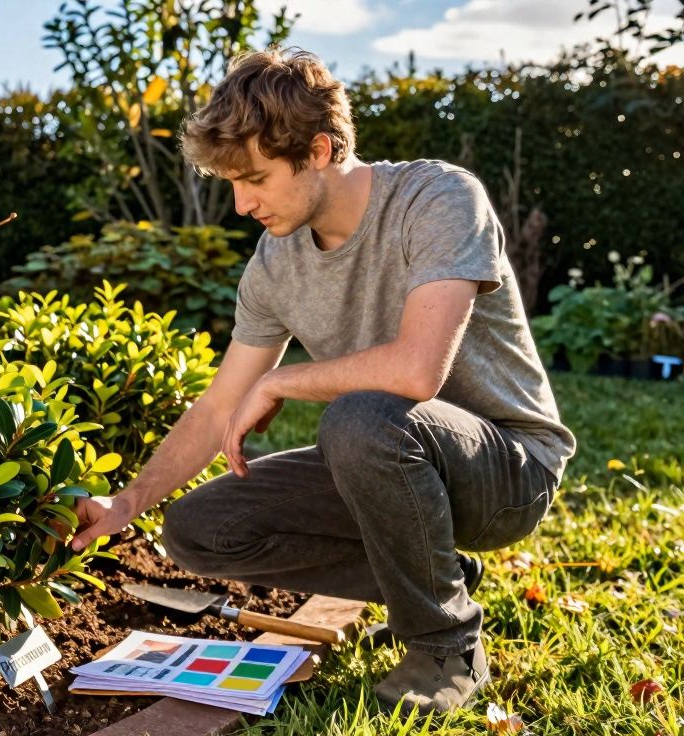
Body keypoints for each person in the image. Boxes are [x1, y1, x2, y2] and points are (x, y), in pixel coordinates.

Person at [67, 47, 576, 715]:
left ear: (318, 150)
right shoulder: (275, 263)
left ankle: (445, 648)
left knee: (360, 418)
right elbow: (221, 400)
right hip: (392, 458)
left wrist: (284, 383)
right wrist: (127, 505)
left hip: (506, 471)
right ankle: (435, 576)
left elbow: (417, 370)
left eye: (254, 178)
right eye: (231, 182)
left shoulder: (438, 198)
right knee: (201, 529)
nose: (243, 203)